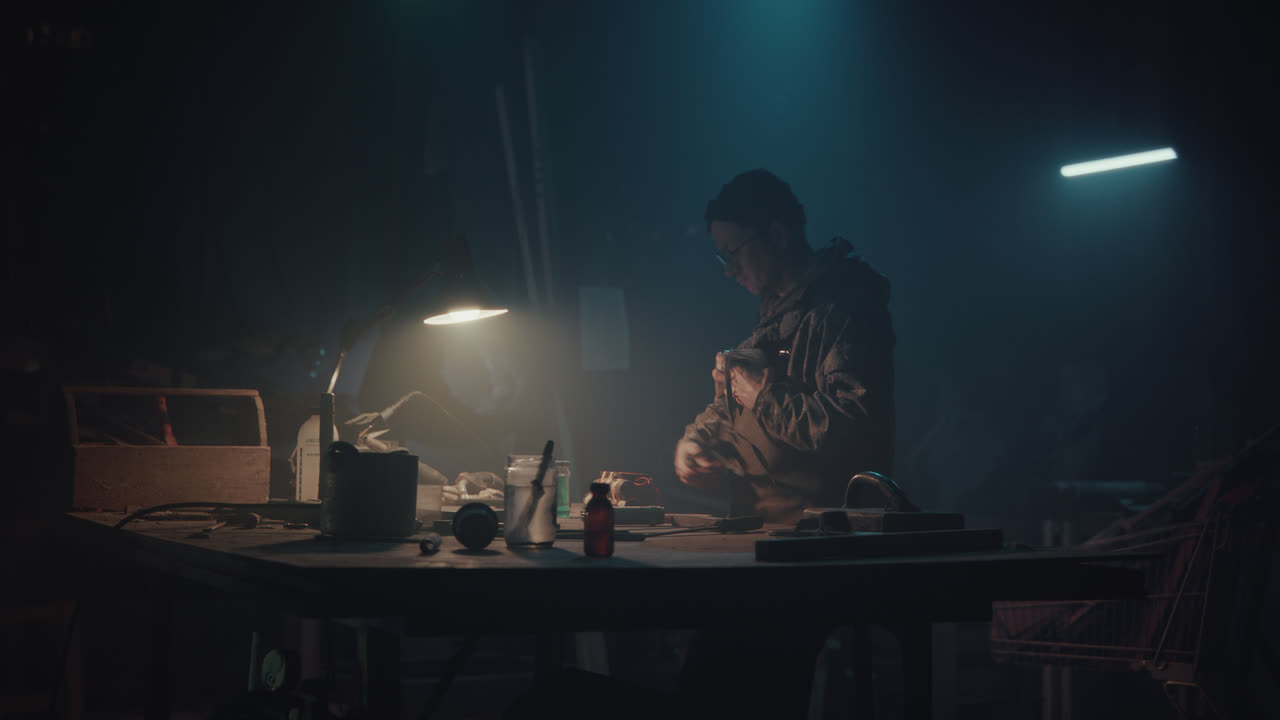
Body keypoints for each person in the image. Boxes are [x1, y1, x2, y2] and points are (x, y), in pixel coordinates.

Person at [674, 168, 896, 523]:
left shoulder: (842, 311)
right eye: (723, 257)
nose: (729, 270)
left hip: (820, 543)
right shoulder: (779, 317)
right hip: (762, 532)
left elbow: (858, 430)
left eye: (733, 252)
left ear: (777, 234)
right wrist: (697, 442)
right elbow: (735, 405)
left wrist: (763, 398)